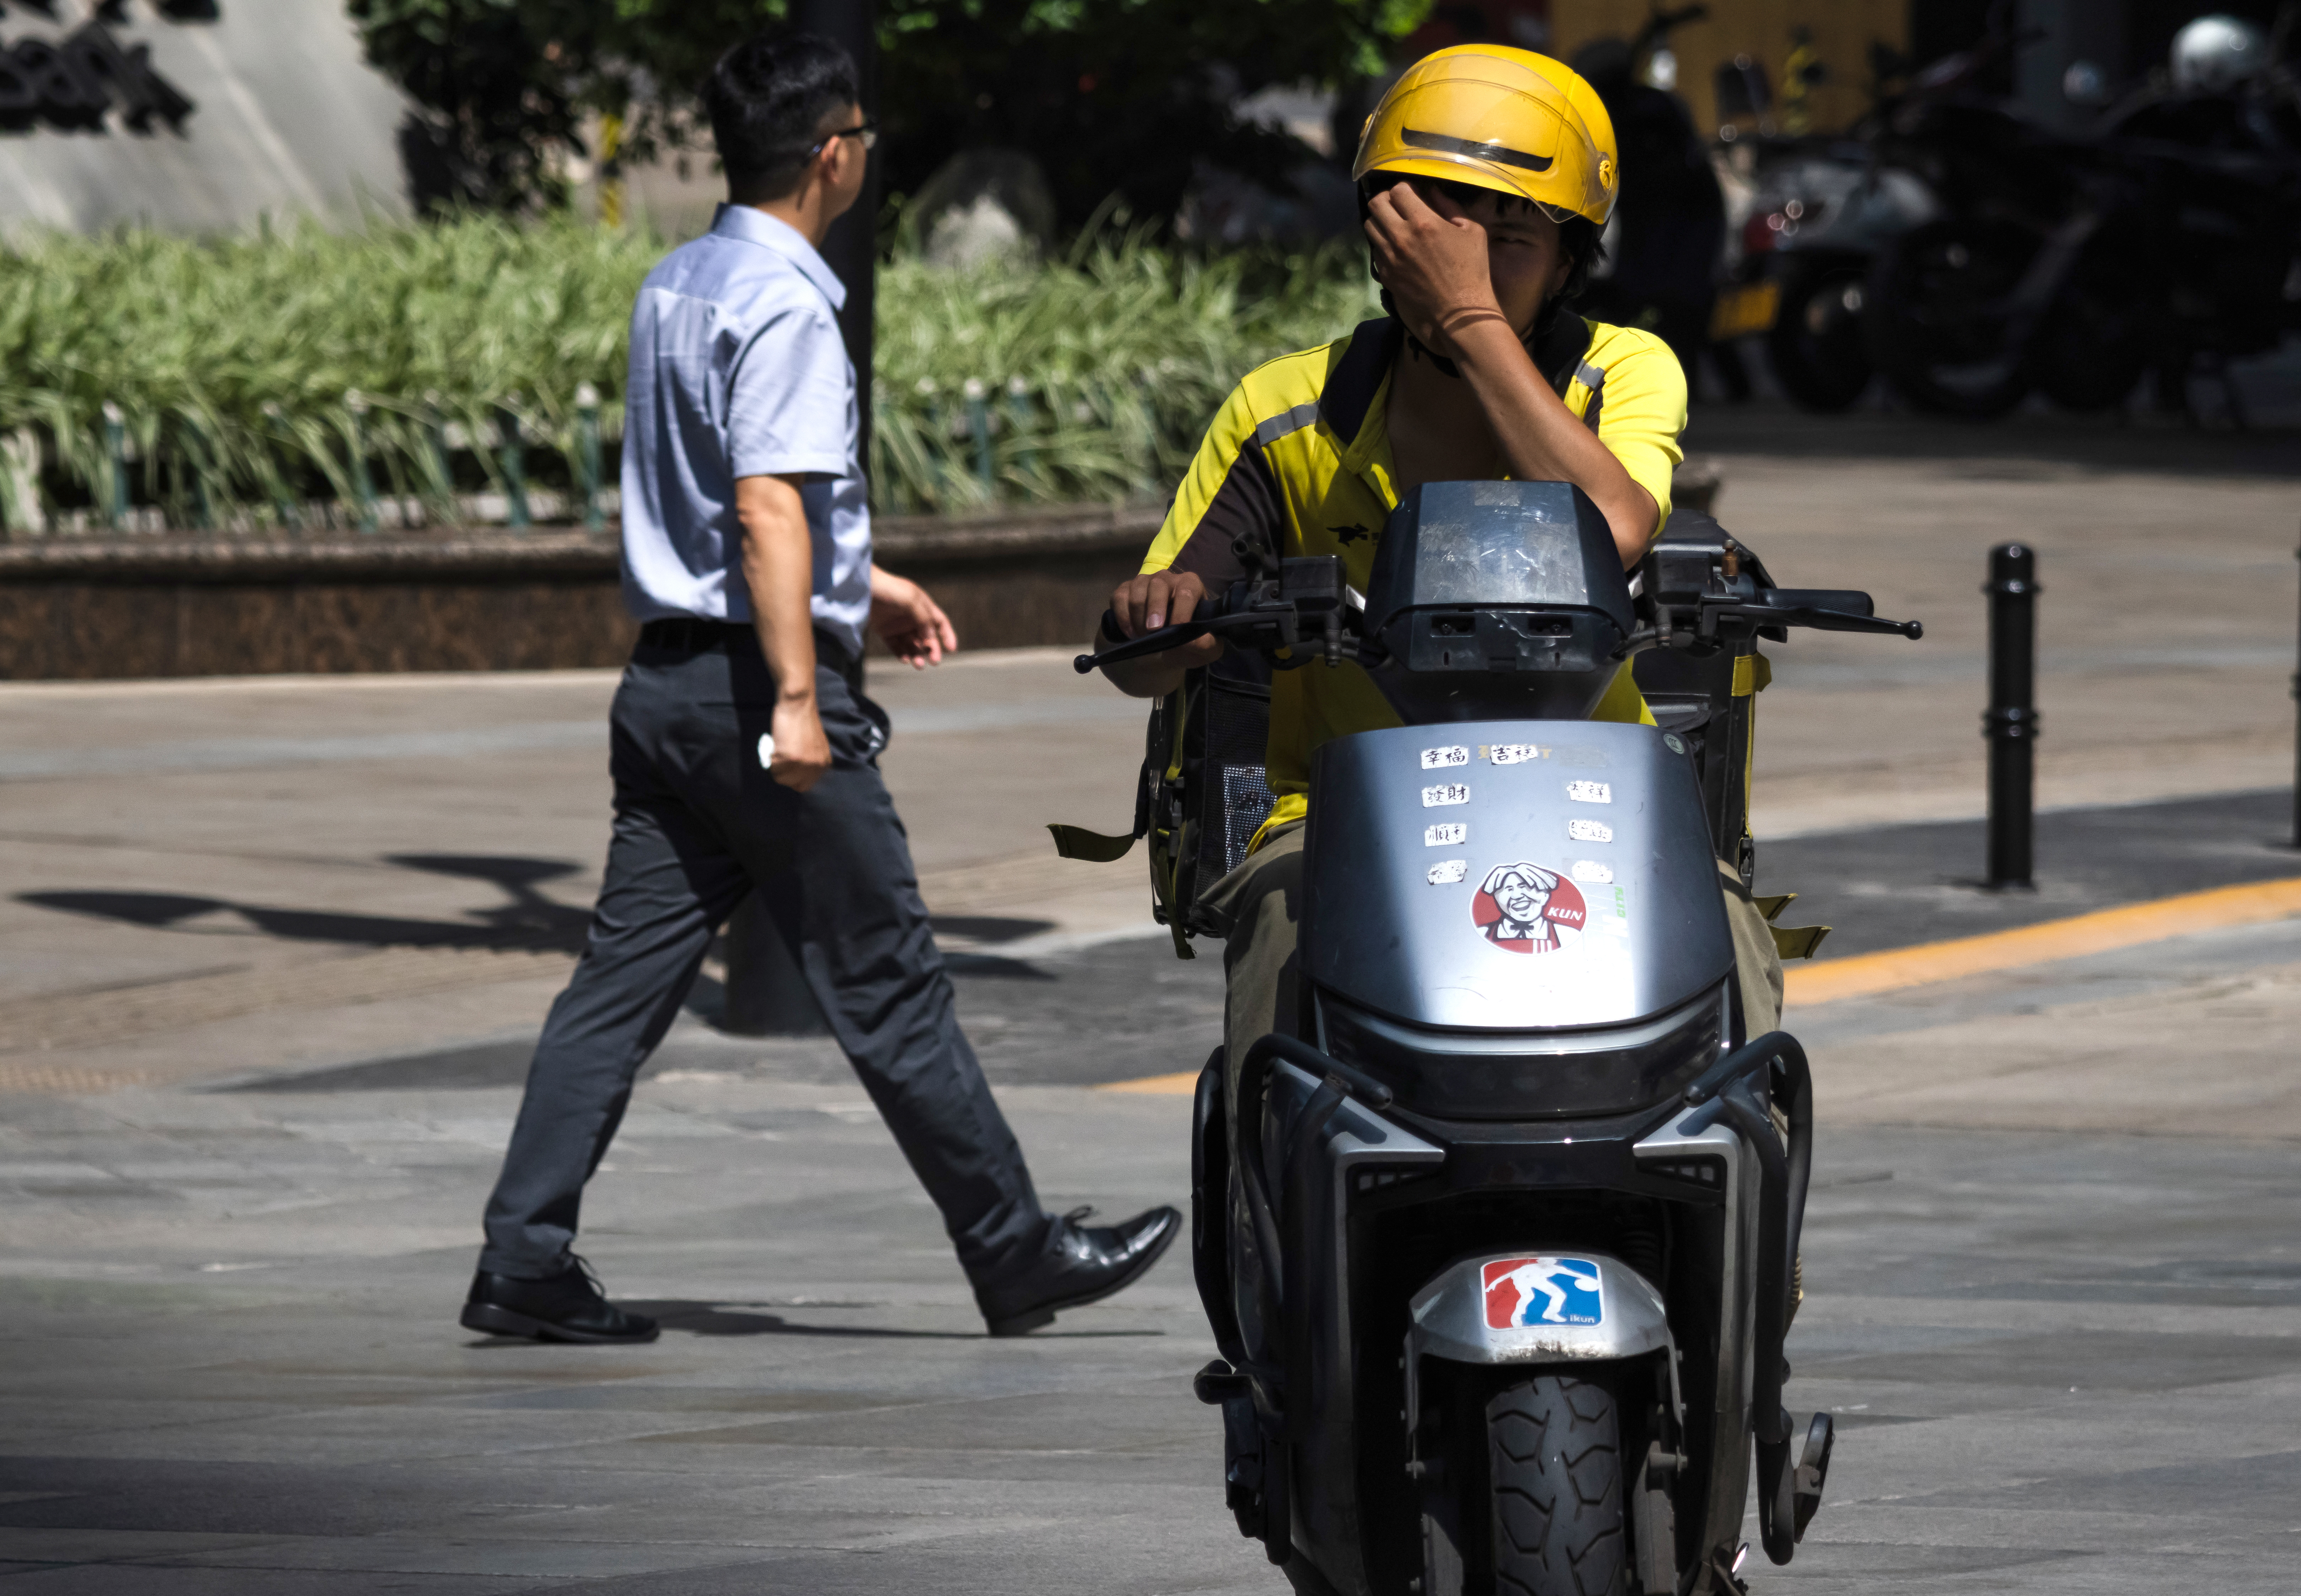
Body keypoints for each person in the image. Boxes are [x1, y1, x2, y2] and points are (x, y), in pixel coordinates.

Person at [462, 29, 1176, 1347]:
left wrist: (868, 585)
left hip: (668, 689)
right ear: (832, 154)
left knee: (615, 989)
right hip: (757, 702)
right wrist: (801, 691)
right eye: (864, 136)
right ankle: (1017, 1253)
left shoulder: (678, 281)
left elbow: (736, 502)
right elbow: (764, 502)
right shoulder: (792, 302)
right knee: (892, 984)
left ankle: (523, 1256)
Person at [1096, 42, 1784, 1086]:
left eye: (1512, 233)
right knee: (1281, 941)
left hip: (1601, 801)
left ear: (1570, 260)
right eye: (1440, 227)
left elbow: (1615, 525)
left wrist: (1469, 322)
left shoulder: (1623, 372)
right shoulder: (1285, 410)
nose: (1467, 258)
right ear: (1384, 233)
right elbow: (1153, 651)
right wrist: (1161, 619)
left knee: (1730, 947)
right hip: (1340, 818)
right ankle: (1277, 1218)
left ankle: (1736, 1228)